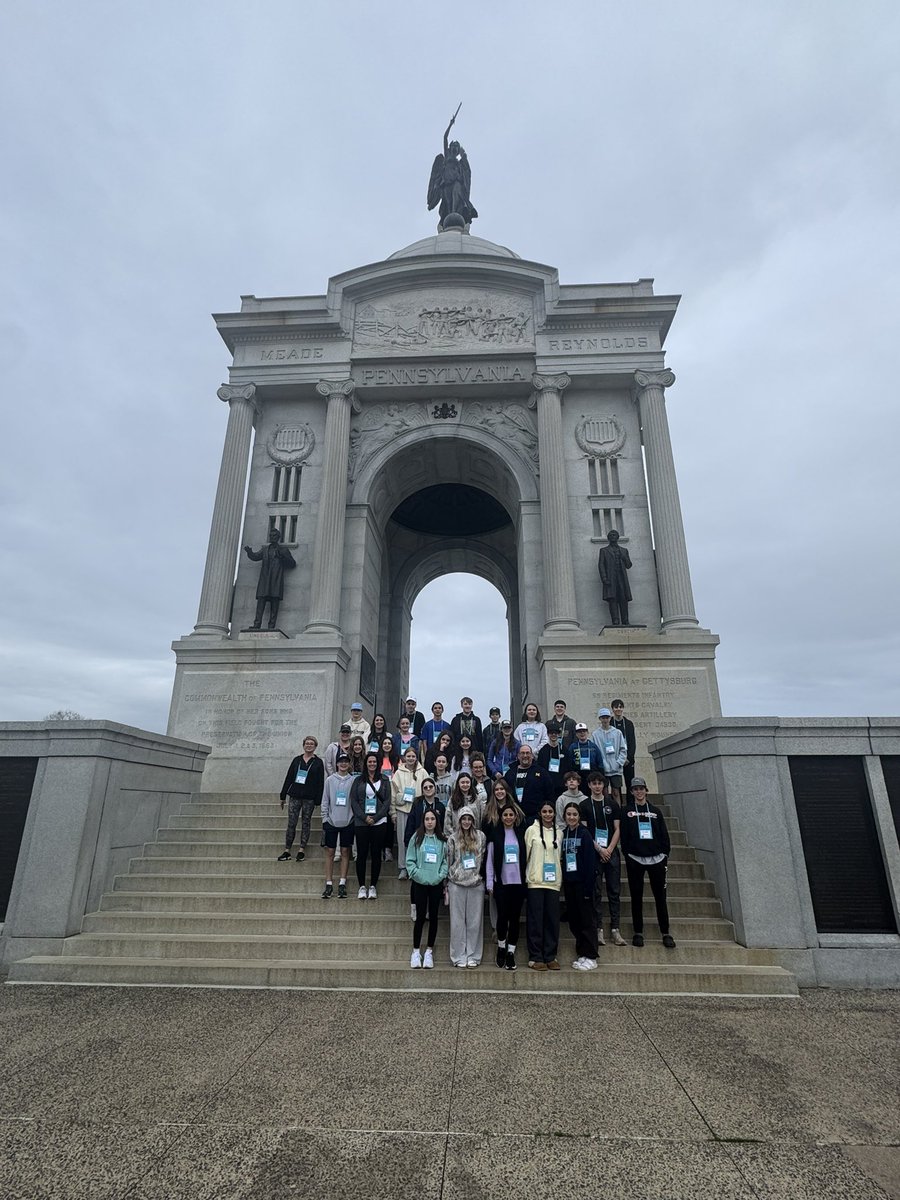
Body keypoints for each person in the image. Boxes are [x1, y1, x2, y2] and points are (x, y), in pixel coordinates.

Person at [620, 777, 676, 949]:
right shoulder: (627, 811)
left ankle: (665, 932)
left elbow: (664, 834)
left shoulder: (656, 811)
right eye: (635, 789)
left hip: (656, 859)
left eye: (641, 788)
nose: (639, 792)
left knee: (660, 897)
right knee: (636, 897)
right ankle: (638, 932)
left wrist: (664, 854)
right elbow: (624, 835)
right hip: (635, 858)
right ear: (631, 792)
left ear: (646, 790)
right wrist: (628, 854)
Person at [580, 773, 626, 947]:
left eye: (600, 783)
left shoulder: (612, 804)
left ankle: (615, 929)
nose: (597, 786)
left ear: (604, 786)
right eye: (594, 783)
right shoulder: (584, 805)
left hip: (611, 851)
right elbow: (585, 832)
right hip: (595, 853)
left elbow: (617, 828)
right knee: (596, 892)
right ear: (589, 785)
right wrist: (599, 850)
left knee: (614, 891)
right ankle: (598, 929)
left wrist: (610, 849)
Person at [485, 799, 528, 971]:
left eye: (511, 815)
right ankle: (501, 947)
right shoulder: (495, 835)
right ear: (501, 817)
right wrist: (490, 882)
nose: (508, 817)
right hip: (501, 883)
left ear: (515, 816)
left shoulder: (521, 834)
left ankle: (511, 951)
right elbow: (489, 861)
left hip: (518, 883)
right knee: (502, 917)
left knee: (515, 919)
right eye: (505, 815)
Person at [406, 809, 449, 969]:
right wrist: (418, 875)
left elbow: (445, 861)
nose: (430, 822)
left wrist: (440, 876)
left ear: (436, 821)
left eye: (432, 819)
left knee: (434, 917)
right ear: (423, 821)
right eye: (427, 819)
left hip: (436, 883)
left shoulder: (442, 840)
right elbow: (410, 861)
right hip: (420, 883)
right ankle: (416, 951)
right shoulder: (416, 838)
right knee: (420, 918)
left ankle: (429, 951)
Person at [561, 801, 599, 970]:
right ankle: (582, 953)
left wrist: (588, 887)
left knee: (587, 921)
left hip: (583, 883)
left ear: (579, 817)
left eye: (574, 814)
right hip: (569, 883)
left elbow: (591, 863)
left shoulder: (584, 834)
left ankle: (591, 956)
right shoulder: (563, 834)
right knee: (575, 921)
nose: (571, 817)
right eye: (569, 814)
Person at [446, 806, 486, 967]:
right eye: (464, 819)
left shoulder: (481, 837)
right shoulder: (452, 839)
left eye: (469, 819)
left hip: (476, 883)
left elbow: (483, 858)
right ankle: (458, 956)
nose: (467, 822)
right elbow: (449, 860)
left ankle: (473, 955)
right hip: (456, 884)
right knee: (457, 922)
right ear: (459, 820)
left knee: (475, 922)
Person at [525, 802, 562, 970]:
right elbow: (526, 855)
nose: (548, 814)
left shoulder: (559, 833)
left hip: (553, 883)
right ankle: (535, 956)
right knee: (535, 920)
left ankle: (550, 956)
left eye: (550, 812)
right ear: (540, 813)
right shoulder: (531, 830)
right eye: (544, 811)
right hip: (535, 881)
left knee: (552, 920)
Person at [349, 752, 391, 900]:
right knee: (361, 854)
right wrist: (364, 817)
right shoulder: (358, 780)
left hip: (379, 822)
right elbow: (353, 800)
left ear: (378, 763)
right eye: (369, 762)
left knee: (375, 854)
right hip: (361, 822)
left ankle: (373, 886)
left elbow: (387, 801)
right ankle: (361, 886)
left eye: (374, 762)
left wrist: (376, 817)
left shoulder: (385, 780)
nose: (372, 764)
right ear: (365, 763)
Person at [277, 735, 324, 862]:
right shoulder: (296, 760)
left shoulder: (318, 762)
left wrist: (318, 800)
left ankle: (301, 849)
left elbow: (320, 782)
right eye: (307, 743)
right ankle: (287, 850)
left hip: (309, 797)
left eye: (311, 744)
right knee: (291, 823)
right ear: (303, 745)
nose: (309, 745)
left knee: (306, 823)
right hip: (295, 796)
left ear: (315, 746)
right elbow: (289, 777)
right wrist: (283, 795)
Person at [243, 526, 296, 630]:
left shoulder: (283, 550)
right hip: (265, 579)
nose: (272, 537)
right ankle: (257, 624)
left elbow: (292, 564)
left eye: (274, 536)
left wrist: (283, 557)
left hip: (276, 580)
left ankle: (271, 626)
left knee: (274, 603)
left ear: (278, 537)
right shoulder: (265, 549)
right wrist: (249, 552)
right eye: (271, 536)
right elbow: (255, 557)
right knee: (261, 601)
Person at [320, 751, 354, 899]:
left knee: (346, 852)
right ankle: (328, 883)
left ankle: (342, 882)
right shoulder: (330, 780)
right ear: (337, 764)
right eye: (341, 761)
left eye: (346, 761)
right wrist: (325, 818)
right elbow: (325, 800)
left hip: (348, 821)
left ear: (349, 764)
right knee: (330, 852)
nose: (343, 764)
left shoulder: (353, 780)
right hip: (332, 821)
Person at [391, 746, 428, 880]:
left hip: (418, 811)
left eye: (413, 756)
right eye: (408, 756)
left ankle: (416, 867)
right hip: (402, 810)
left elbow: (428, 789)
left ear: (416, 758)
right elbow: (393, 794)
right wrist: (393, 812)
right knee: (402, 840)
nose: (411, 758)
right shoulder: (398, 773)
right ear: (404, 757)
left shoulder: (423, 772)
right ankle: (403, 867)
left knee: (418, 840)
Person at [504, 744, 553, 824]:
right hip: (514, 818)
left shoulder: (541, 772)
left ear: (532, 756)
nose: (525, 755)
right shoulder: (510, 773)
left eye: (527, 753)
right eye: (522, 753)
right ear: (518, 756)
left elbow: (549, 794)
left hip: (535, 818)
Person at [591, 707, 627, 802]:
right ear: (600, 719)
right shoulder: (595, 734)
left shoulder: (617, 733)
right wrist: (602, 764)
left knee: (616, 792)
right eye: (603, 718)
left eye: (607, 717)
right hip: (603, 768)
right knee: (605, 791)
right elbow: (595, 751)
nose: (605, 720)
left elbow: (623, 749)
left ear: (610, 718)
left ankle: (618, 812)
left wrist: (619, 762)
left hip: (616, 768)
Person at [598, 529, 632, 626]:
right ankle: (615, 620)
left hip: (622, 579)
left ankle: (625, 620)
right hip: (611, 579)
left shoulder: (624, 551)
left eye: (615, 535)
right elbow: (601, 565)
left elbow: (629, 565)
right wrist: (604, 578)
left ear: (618, 537)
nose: (613, 536)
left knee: (623, 599)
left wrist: (624, 557)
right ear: (608, 538)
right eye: (611, 535)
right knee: (612, 599)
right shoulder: (604, 551)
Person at [566, 722, 603, 793]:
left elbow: (600, 762)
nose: (582, 733)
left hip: (592, 776)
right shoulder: (573, 747)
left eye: (584, 731)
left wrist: (600, 776)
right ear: (576, 734)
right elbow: (569, 762)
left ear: (587, 732)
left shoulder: (593, 746)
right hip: (578, 776)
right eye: (579, 732)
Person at [610, 699, 637, 796]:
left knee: (630, 783)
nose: (618, 709)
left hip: (628, 759)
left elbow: (632, 742)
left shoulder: (629, 723)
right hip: (615, 759)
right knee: (616, 785)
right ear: (612, 709)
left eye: (620, 707)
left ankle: (631, 805)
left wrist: (628, 758)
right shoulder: (610, 723)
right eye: (616, 707)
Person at [445, 771, 481, 840]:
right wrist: (453, 836)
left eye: (467, 782)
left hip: (473, 837)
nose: (465, 785)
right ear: (458, 784)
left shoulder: (476, 799)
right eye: (462, 782)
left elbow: (480, 818)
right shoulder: (453, 799)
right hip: (457, 837)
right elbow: (447, 820)